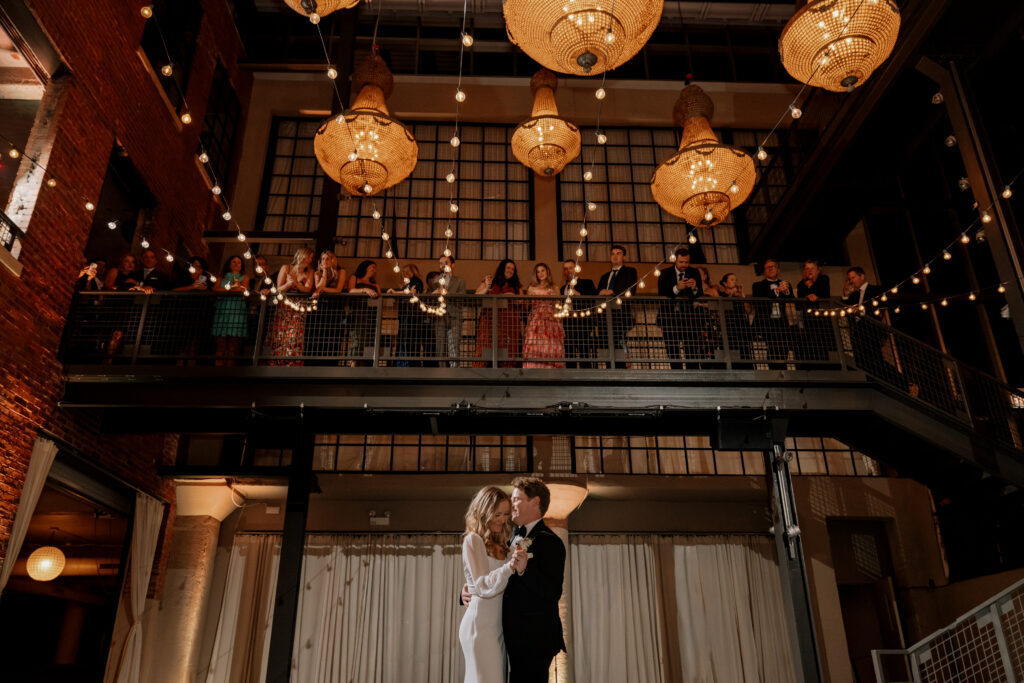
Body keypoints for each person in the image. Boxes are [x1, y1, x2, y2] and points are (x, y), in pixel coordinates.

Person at [463, 477, 566, 683]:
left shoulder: (550, 541)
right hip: (506, 633)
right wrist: (468, 591)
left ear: (535, 502)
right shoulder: (507, 536)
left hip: (534, 637)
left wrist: (525, 570)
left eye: (517, 498)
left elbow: (552, 592)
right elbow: (491, 574)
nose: (511, 503)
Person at [459, 486, 522, 683]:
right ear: (483, 511)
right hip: (480, 626)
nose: (502, 519)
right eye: (497, 514)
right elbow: (482, 586)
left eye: (505, 514)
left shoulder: (504, 543)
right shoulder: (473, 540)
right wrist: (510, 567)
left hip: (498, 627)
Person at [657, 247, 705, 369]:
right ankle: (676, 377)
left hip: (689, 318)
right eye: (681, 262)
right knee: (672, 350)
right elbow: (661, 293)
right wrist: (677, 288)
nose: (684, 265)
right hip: (670, 318)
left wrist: (694, 289)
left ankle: (693, 377)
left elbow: (700, 295)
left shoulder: (694, 272)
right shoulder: (664, 273)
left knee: (692, 350)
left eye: (686, 262)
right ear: (675, 261)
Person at [268, 246, 314, 365]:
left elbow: (308, 289)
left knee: (295, 333)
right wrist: (289, 284)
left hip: (299, 306)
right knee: (280, 333)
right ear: (303, 255)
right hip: (285, 305)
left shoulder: (309, 272)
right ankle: (277, 362)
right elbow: (278, 288)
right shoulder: (286, 268)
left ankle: (292, 362)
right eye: (310, 256)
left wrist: (297, 284)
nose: (311, 259)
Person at [474, 259, 523, 368]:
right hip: (490, 320)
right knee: (487, 343)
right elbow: (477, 295)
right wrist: (487, 287)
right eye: (508, 268)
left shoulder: (517, 285)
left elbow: (521, 302)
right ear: (502, 268)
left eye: (513, 269)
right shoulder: (491, 281)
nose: (510, 271)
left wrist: (512, 297)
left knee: (509, 346)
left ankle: (509, 370)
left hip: (509, 321)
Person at [596, 245, 638, 363]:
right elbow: (598, 293)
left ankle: (621, 370)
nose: (615, 256)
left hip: (620, 315)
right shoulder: (604, 276)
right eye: (613, 254)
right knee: (605, 344)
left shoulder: (630, 271)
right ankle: (609, 371)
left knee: (619, 344)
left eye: (618, 253)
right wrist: (601, 292)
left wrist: (612, 292)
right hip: (604, 317)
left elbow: (630, 290)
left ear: (623, 257)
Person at [751, 258, 794, 365]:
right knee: (771, 352)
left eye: (773, 266)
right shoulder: (758, 285)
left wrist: (786, 290)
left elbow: (792, 299)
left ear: (778, 270)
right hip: (766, 323)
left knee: (783, 350)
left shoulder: (786, 284)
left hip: (781, 323)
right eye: (767, 267)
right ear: (764, 271)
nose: (770, 269)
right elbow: (760, 300)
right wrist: (778, 290)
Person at [522, 263, 565, 368]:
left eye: (542, 270)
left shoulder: (554, 287)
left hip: (550, 318)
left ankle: (552, 368)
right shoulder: (531, 288)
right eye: (538, 271)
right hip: (536, 318)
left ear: (547, 271)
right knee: (535, 342)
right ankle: (534, 367)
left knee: (550, 343)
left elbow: (558, 305)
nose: (540, 273)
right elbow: (526, 306)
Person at [306, 251, 345, 362]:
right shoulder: (317, 273)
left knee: (333, 337)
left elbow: (338, 290)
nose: (324, 261)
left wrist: (323, 289)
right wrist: (323, 272)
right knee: (316, 337)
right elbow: (318, 286)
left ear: (333, 260)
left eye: (327, 259)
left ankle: (330, 362)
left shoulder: (341, 271)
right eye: (322, 259)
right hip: (319, 308)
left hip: (334, 308)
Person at [211, 255, 250, 366]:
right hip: (223, 310)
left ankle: (228, 371)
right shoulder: (221, 278)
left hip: (237, 311)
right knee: (221, 343)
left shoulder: (245, 277)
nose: (236, 264)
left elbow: (243, 290)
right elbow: (215, 290)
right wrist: (232, 289)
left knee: (233, 344)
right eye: (233, 261)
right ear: (228, 264)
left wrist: (224, 291)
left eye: (239, 262)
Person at [431, 255, 467, 367]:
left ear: (452, 264)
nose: (442, 265)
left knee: (454, 346)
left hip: (454, 315)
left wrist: (447, 293)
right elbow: (429, 298)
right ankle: (441, 373)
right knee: (440, 346)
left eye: (445, 262)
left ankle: (454, 372)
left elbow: (462, 297)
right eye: (440, 263)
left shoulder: (460, 281)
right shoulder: (435, 281)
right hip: (440, 316)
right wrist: (432, 295)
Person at [560, 259, 597, 368]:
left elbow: (593, 301)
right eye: (565, 269)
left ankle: (586, 380)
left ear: (576, 269)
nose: (568, 271)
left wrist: (579, 294)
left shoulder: (587, 282)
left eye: (570, 268)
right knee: (569, 354)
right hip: (568, 324)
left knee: (584, 353)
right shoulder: (563, 288)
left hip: (583, 324)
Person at [391, 264, 430, 367]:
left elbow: (412, 292)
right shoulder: (410, 283)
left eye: (405, 272)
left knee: (408, 339)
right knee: (405, 339)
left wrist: (396, 292)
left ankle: (407, 363)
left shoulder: (416, 281)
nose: (404, 274)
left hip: (411, 316)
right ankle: (404, 362)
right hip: (407, 315)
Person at [346, 260, 380, 365]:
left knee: (369, 342)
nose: (374, 270)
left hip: (371, 316)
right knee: (358, 341)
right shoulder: (354, 278)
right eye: (372, 267)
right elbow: (351, 290)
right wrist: (365, 290)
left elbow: (380, 297)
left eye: (375, 268)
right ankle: (353, 366)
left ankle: (364, 371)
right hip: (358, 314)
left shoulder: (376, 284)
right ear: (365, 267)